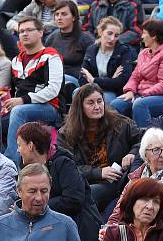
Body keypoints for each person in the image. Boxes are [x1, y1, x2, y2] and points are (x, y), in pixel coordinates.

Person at [57, 84, 140, 221]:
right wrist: (98, 172)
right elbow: (67, 167)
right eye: (91, 103)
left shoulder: (120, 123)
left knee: (90, 195)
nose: (97, 106)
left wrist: (133, 152)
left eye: (99, 101)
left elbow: (143, 141)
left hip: (116, 182)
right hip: (82, 183)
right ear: (80, 106)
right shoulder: (66, 133)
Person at [17, 122, 102, 241]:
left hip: (80, 234)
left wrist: (38, 206)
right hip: (50, 231)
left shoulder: (64, 163)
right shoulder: (26, 169)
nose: (18, 150)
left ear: (30, 146)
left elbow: (73, 199)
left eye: (20, 145)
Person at [3, 15, 64, 162]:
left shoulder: (51, 56)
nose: (24, 34)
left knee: (18, 111)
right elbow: (10, 90)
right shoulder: (16, 60)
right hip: (22, 107)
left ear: (41, 32)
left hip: (48, 108)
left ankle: (11, 164)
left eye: (29, 30)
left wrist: (23, 100)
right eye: (21, 31)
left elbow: (53, 90)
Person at [111, 19, 163, 129]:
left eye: (144, 33)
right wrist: (130, 91)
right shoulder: (144, 53)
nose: (142, 36)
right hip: (141, 95)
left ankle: (144, 140)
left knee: (140, 105)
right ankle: (122, 139)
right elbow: (135, 76)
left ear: (154, 36)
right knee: (116, 104)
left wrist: (143, 94)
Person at [104, 127, 163, 228]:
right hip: (132, 232)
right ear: (145, 155)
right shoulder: (135, 178)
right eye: (156, 150)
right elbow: (119, 211)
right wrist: (109, 229)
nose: (162, 154)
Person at [81, 16, 135, 103]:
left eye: (116, 35)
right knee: (76, 93)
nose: (113, 38)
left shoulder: (124, 51)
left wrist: (94, 80)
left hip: (112, 92)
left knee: (104, 99)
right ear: (101, 32)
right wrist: (110, 80)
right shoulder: (91, 49)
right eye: (109, 33)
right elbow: (82, 78)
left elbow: (121, 81)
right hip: (91, 90)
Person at [44, 0, 93, 82]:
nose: (59, 18)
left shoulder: (86, 39)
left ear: (73, 17)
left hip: (78, 80)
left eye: (64, 14)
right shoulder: (51, 38)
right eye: (57, 14)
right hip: (54, 79)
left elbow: (90, 68)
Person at [6, 0, 71, 35]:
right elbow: (11, 22)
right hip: (36, 38)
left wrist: (35, 28)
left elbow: (59, 23)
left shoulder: (66, 1)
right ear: (41, 0)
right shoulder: (35, 5)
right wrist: (21, 28)